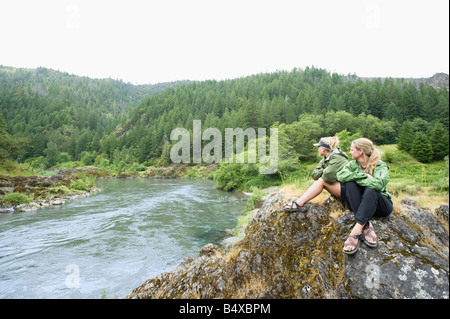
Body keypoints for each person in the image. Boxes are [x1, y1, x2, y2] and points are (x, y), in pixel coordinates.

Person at [336, 138, 393, 255]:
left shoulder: (380, 165)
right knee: (349, 184)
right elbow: (340, 176)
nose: (350, 152)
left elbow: (378, 184)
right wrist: (363, 176)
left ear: (360, 151)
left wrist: (357, 179)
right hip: (362, 205)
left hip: (380, 205)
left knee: (371, 190)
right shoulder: (353, 164)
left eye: (352, 150)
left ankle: (356, 231)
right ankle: (366, 224)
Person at [283, 136, 348, 212]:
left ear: (323, 149)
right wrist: (324, 171)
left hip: (348, 190)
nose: (318, 149)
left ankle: (298, 203)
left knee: (321, 181)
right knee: (319, 180)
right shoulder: (326, 158)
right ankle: (299, 202)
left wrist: (323, 172)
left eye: (319, 147)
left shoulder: (338, 158)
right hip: (339, 187)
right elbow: (314, 175)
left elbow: (328, 178)